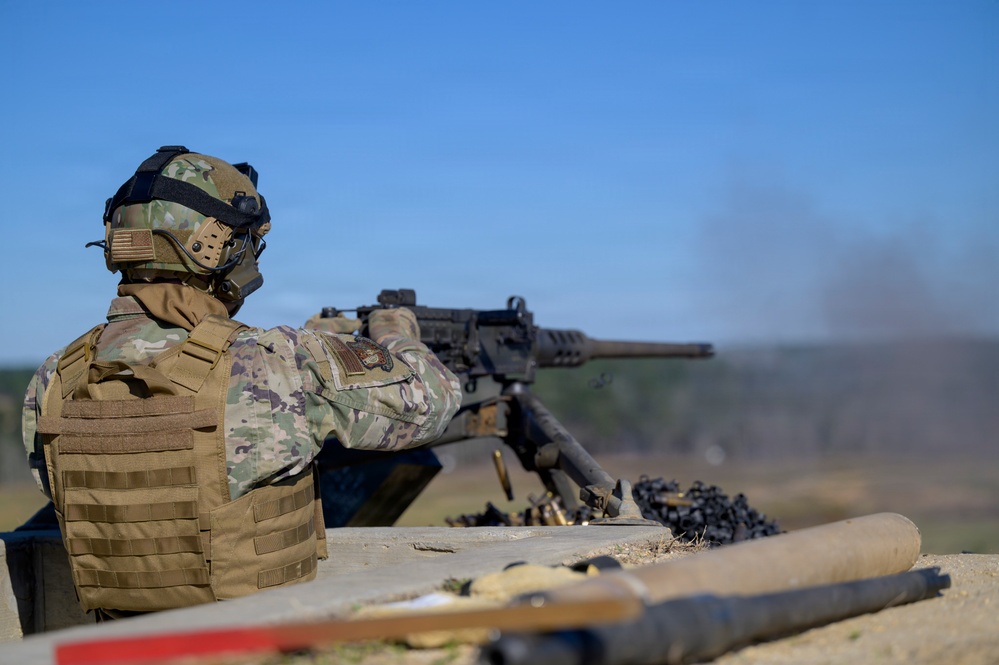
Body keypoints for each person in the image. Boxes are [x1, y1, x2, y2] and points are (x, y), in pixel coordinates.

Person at [21, 146, 461, 618]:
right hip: (259, 642)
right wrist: (394, 330)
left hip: (123, 644)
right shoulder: (279, 360)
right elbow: (434, 401)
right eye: (248, 241)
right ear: (216, 245)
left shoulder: (57, 377)